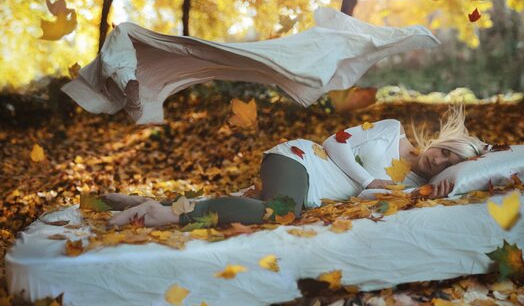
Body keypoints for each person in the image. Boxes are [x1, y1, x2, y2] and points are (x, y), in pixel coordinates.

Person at [105, 104, 488, 228]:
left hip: (310, 188)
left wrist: (435, 193)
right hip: (301, 158)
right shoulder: (391, 130)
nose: (437, 160)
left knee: (263, 203)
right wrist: (369, 179)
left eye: (447, 164)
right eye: (444, 152)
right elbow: (334, 143)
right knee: (283, 210)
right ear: (441, 142)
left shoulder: (412, 190)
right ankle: (162, 215)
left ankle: (141, 201)